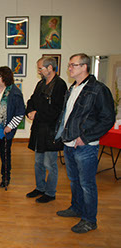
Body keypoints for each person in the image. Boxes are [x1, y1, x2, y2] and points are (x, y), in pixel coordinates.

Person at [55, 53, 115, 233]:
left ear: (84, 67)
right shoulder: (72, 88)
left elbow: (107, 119)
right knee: (74, 181)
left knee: (87, 184)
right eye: (70, 65)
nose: (69, 68)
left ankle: (90, 220)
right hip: (69, 143)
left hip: (85, 145)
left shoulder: (98, 89)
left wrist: (85, 138)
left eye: (73, 65)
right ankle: (76, 208)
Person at [25, 57, 67, 203]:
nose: (39, 71)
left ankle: (50, 192)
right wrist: (29, 111)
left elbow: (57, 110)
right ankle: (40, 188)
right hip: (38, 129)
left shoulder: (60, 85)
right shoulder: (41, 83)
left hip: (51, 131)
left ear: (50, 68)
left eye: (40, 68)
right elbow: (32, 100)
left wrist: (37, 114)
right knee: (38, 162)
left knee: (50, 163)